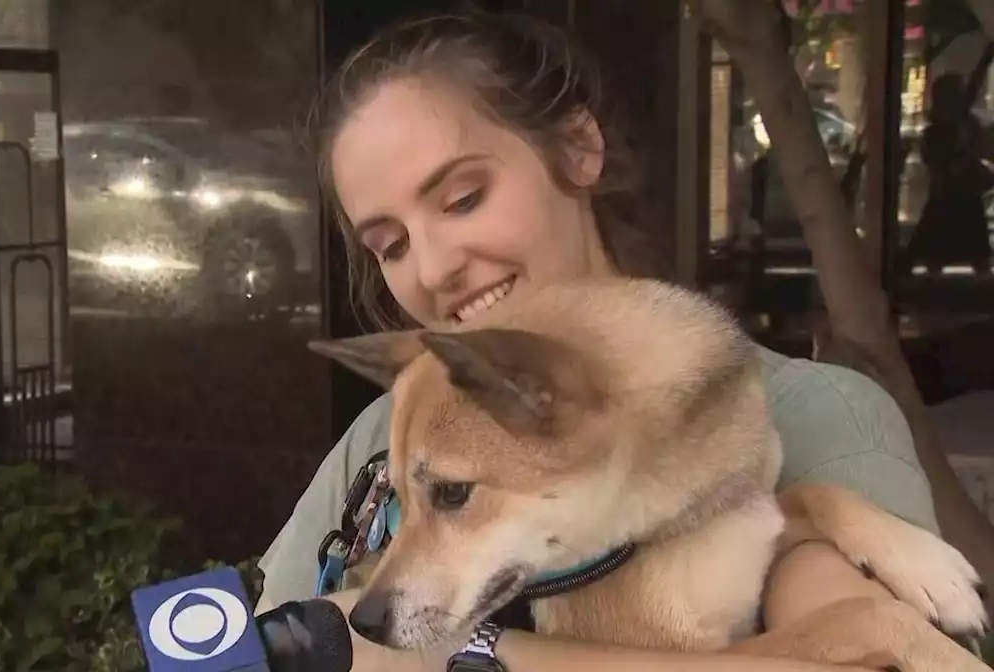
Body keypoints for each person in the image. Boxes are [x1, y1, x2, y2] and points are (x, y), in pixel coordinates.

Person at [257, 10, 938, 672]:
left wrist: (470, 655)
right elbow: (247, 648)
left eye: (464, 198)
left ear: (579, 148)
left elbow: (864, 648)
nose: (433, 269)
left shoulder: (816, 418)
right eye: (392, 245)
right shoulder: (384, 435)